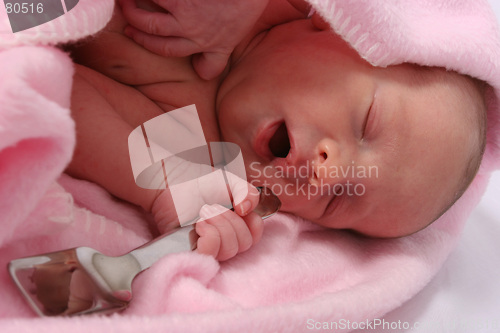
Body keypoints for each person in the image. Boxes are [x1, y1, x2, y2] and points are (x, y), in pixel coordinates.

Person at [65, 0, 487, 261]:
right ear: (346, 32)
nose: (331, 173)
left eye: (338, 199)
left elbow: (66, 96)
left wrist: (164, 185)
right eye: (367, 122)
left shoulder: (196, 145)